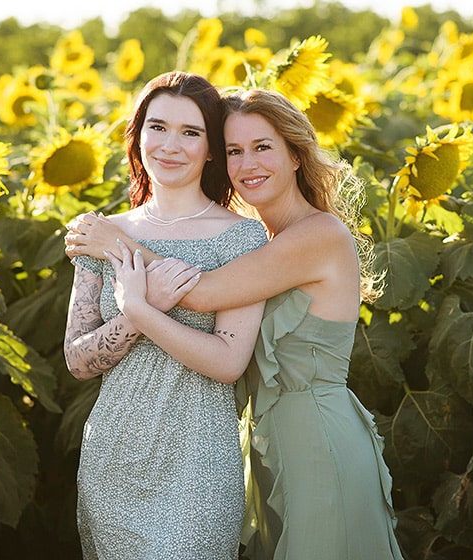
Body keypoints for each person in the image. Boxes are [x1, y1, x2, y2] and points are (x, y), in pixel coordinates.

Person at [65, 88, 404, 560]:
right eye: (234, 151)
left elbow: (200, 294)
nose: (248, 164)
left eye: (263, 147)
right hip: (265, 443)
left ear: (296, 155)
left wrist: (114, 244)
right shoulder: (267, 238)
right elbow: (80, 353)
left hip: (315, 441)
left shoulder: (317, 235)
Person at [63, 71, 269, 559]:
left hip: (198, 461)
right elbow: (76, 359)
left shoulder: (243, 239)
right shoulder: (101, 233)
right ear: (138, 136)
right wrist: (135, 317)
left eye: (191, 132)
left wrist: (140, 306)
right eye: (157, 127)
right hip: (112, 454)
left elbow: (228, 361)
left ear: (212, 148)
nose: (170, 146)